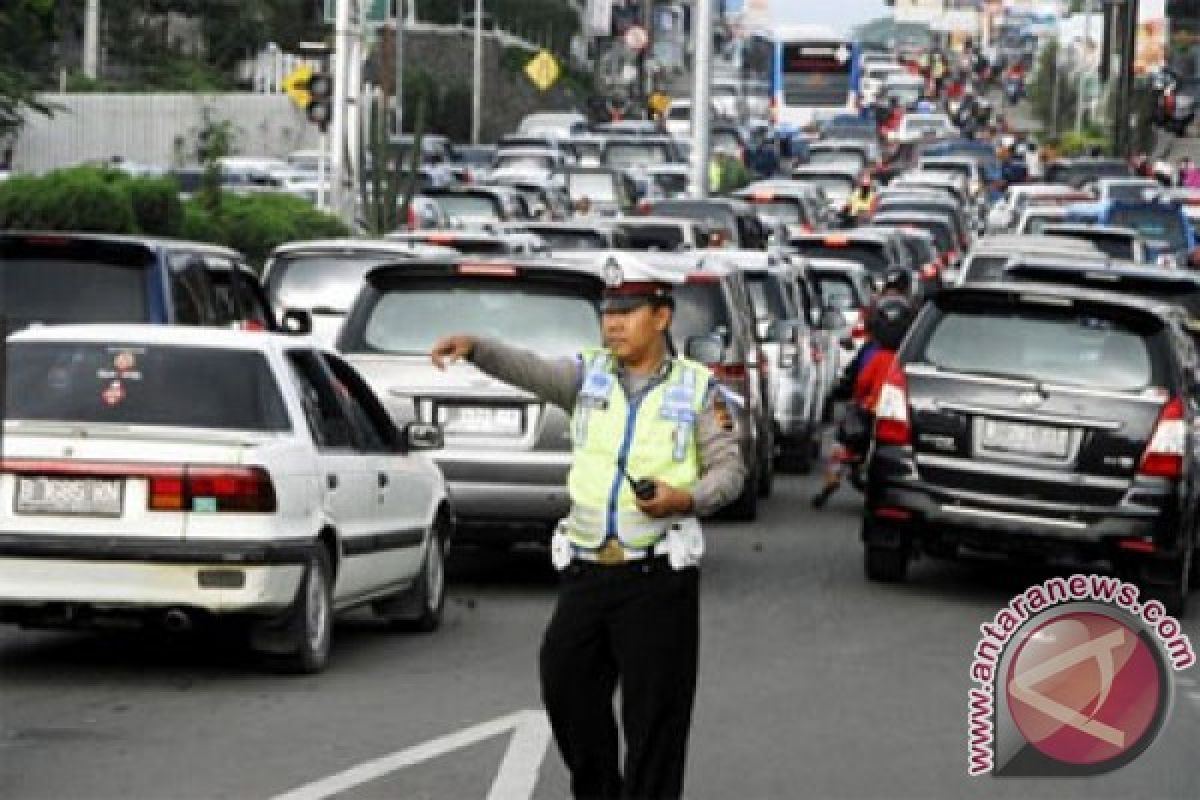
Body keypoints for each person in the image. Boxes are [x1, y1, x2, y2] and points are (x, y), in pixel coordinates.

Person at [429, 256, 746, 800]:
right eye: (608, 313)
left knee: (655, 724)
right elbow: (529, 368)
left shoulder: (699, 390)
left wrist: (684, 498)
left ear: (661, 317)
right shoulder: (588, 375)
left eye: (627, 312)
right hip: (587, 574)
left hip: (655, 578)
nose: (613, 324)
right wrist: (477, 348)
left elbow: (730, 470)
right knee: (566, 687)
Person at [812, 296, 915, 508]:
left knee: (841, 443)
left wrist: (857, 400)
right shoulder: (910, 357)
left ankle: (832, 479)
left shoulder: (874, 354)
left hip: (871, 410)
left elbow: (860, 382)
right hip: (898, 416)